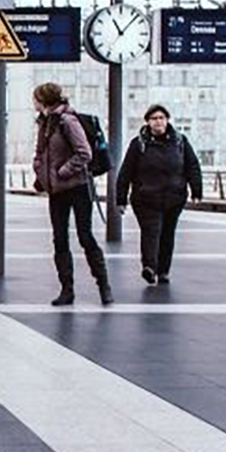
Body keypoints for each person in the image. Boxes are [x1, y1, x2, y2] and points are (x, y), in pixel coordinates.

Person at [31, 82, 111, 306]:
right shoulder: (45, 122)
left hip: (77, 187)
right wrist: (40, 171)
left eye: (35, 98)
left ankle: (103, 285)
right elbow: (41, 153)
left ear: (43, 100)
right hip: (56, 190)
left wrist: (62, 172)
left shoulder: (67, 120)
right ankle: (67, 290)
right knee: (59, 239)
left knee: (85, 236)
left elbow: (84, 153)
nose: (33, 102)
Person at [115, 103, 204, 285]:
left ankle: (163, 271)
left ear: (167, 120)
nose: (158, 122)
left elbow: (192, 166)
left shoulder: (180, 141)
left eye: (161, 118)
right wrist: (121, 199)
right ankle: (149, 267)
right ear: (147, 122)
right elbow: (126, 172)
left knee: (167, 234)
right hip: (146, 198)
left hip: (174, 198)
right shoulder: (138, 144)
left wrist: (197, 191)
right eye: (154, 118)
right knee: (151, 232)